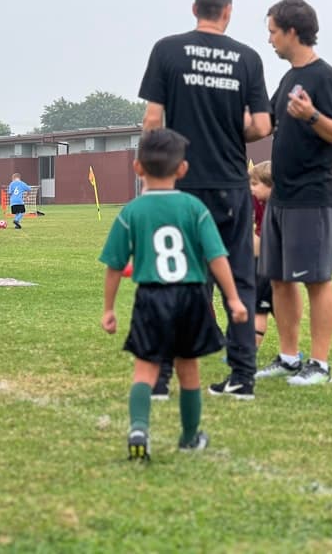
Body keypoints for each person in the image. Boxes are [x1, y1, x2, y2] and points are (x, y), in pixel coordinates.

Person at [139, 0, 271, 401]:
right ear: (228, 11)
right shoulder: (247, 58)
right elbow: (262, 126)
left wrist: (151, 178)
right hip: (230, 184)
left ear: (195, 7)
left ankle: (159, 380)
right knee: (239, 280)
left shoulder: (167, 50)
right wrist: (231, 128)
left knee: (170, 276)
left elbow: (152, 120)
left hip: (179, 182)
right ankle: (242, 377)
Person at [100, 129, 247, 460]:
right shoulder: (194, 207)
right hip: (192, 298)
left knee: (145, 371)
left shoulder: (132, 212)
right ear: (182, 169)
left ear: (138, 168)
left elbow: (114, 266)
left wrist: (108, 309)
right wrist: (234, 299)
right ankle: (190, 437)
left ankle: (139, 427)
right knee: (189, 371)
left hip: (151, 297)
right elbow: (216, 258)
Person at [257, 0, 332, 386]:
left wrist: (312, 115)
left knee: (316, 279)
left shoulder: (325, 77)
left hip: (314, 195)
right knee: (279, 278)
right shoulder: (286, 79)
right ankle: (289, 357)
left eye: (273, 32)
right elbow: (264, 124)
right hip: (282, 196)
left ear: (292, 31)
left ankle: (320, 365)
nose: (270, 40)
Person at [250, 161, 274, 348]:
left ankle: (248, 352)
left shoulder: (279, 207)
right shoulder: (257, 200)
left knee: (260, 308)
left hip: (273, 264)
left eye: (255, 184)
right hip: (261, 261)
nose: (251, 189)